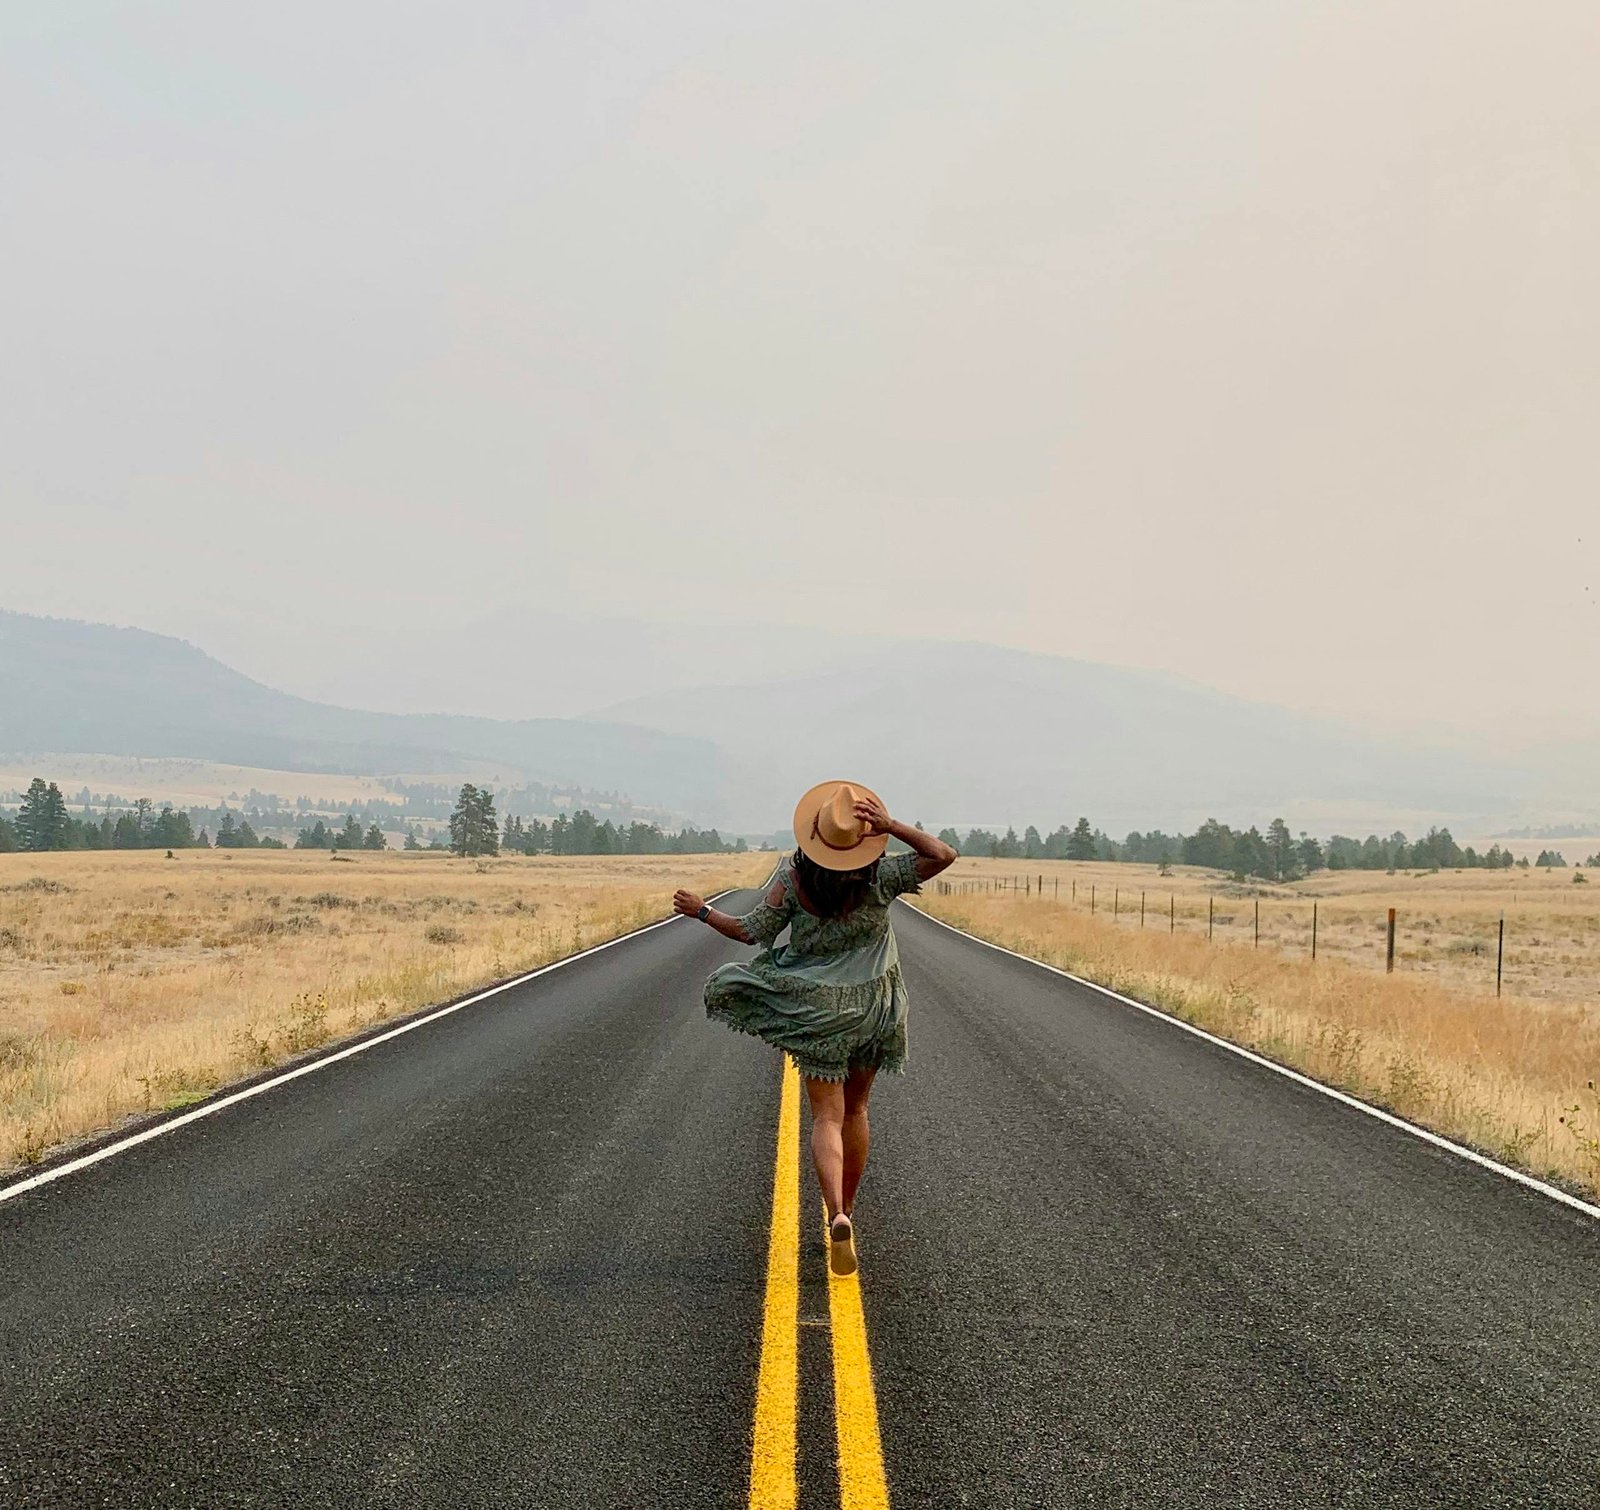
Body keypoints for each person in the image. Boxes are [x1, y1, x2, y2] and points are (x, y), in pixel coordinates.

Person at [673, 781, 957, 1275]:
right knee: (858, 1109)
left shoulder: (795, 879)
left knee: (826, 1116)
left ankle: (835, 1215)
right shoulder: (881, 876)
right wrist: (891, 827)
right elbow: (943, 854)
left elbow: (748, 932)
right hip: (875, 1006)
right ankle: (850, 1207)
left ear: (814, 835)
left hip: (818, 1011)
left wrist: (701, 910)